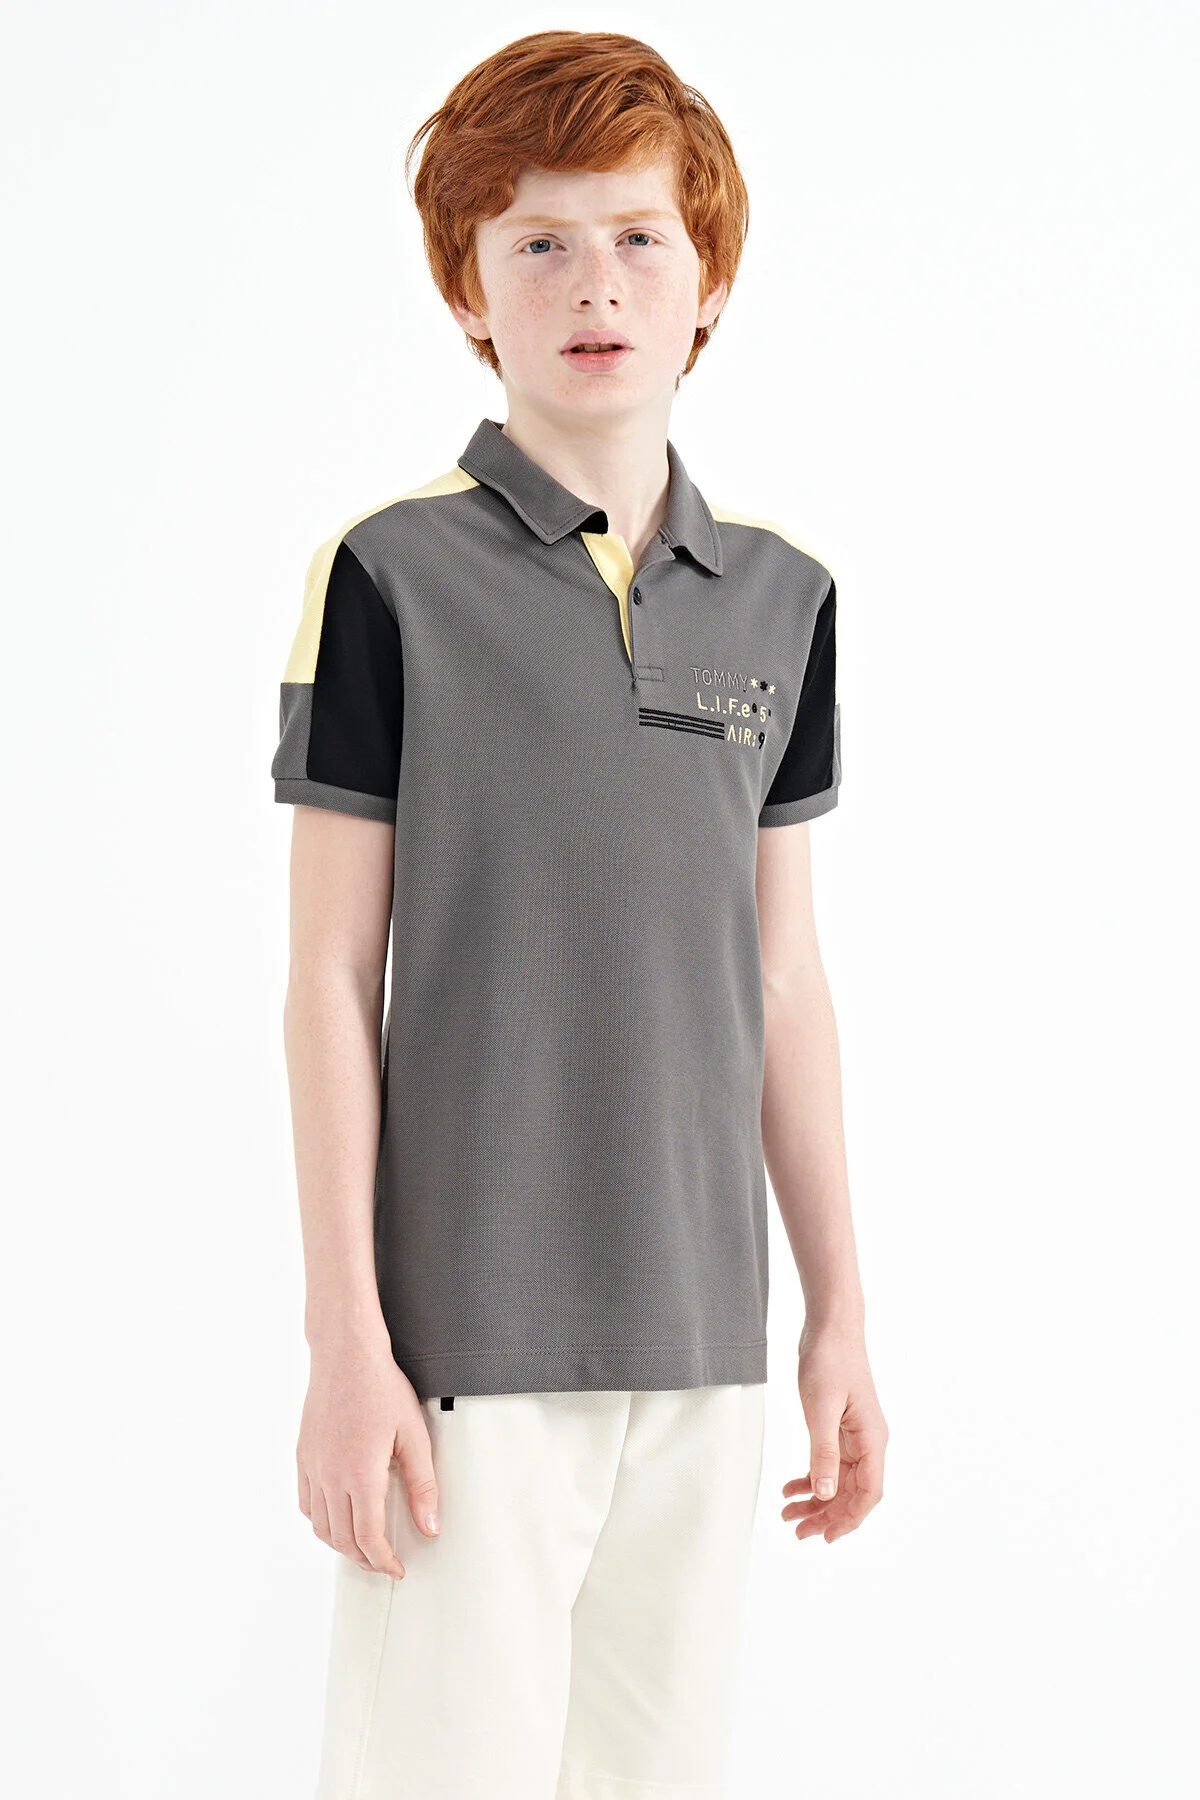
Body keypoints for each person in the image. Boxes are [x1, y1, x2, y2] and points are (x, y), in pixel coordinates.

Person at [271, 28, 888, 1800]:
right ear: (469, 293)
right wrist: (346, 1344)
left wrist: (836, 1312)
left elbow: (784, 977)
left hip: (703, 1348)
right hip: (462, 1355)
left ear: (711, 284)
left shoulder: (785, 600)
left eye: (637, 238)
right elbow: (328, 978)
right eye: (536, 242)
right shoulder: (389, 575)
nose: (593, 284)